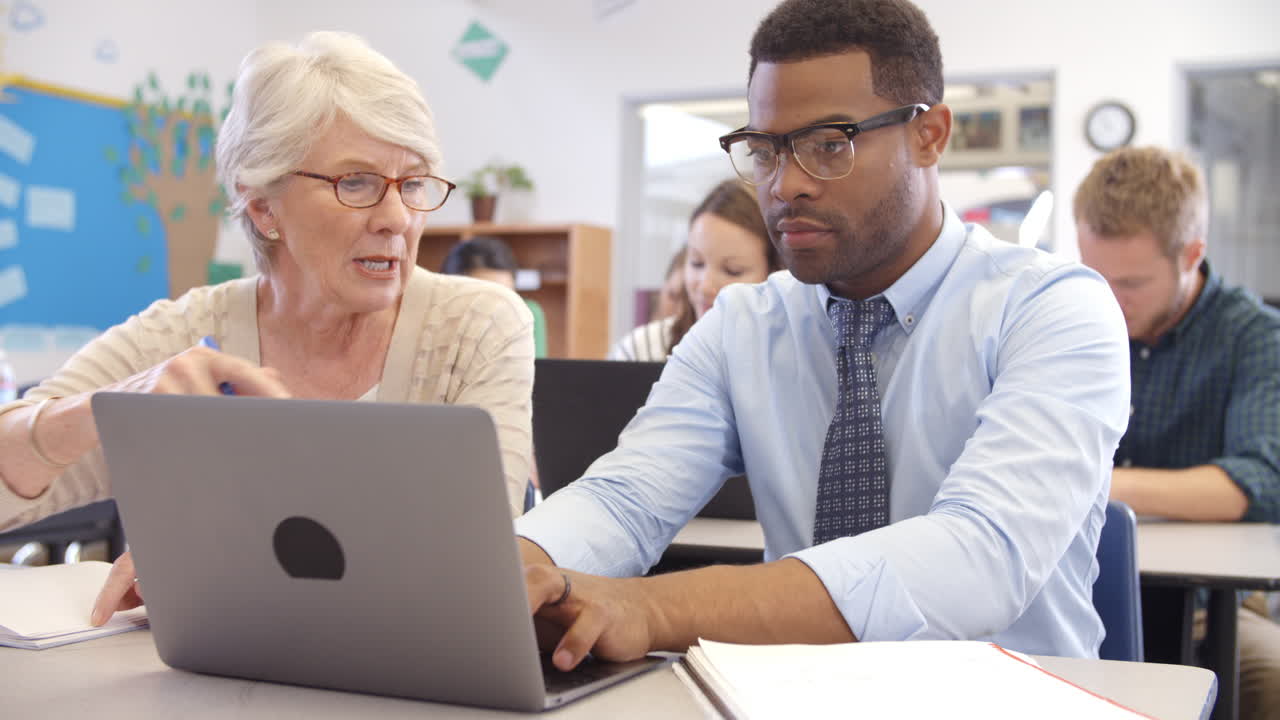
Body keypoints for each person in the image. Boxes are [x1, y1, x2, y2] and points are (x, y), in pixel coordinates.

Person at [516, 0, 1130, 673]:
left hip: (1012, 698)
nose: (784, 186)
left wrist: (655, 608)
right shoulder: (743, 326)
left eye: (828, 144)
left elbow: (981, 553)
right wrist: (520, 568)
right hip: (793, 695)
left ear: (930, 135)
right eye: (764, 150)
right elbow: (626, 499)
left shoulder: (1053, 308)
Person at [0, 32, 534, 624]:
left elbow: (486, 547)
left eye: (411, 183)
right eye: (354, 183)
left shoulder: (477, 324)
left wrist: (221, 555)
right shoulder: (181, 332)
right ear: (262, 207)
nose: (397, 219)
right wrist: (108, 408)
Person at [1075, 146, 1280, 720]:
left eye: (1133, 282)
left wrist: (1100, 482)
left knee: (1268, 682)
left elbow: (1258, 483)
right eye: (1096, 275)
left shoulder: (1254, 337)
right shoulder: (1071, 320)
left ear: (1192, 254)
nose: (1109, 299)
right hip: (1076, 587)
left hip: (1212, 607)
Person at [609, 180, 782, 362]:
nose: (705, 286)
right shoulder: (640, 351)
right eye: (697, 263)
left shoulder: (794, 356)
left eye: (733, 271)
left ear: (775, 272)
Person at [441, 235, 548, 358]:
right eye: (486, 297)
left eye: (507, 296)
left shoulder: (528, 314)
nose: (497, 308)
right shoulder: (436, 322)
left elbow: (538, 373)